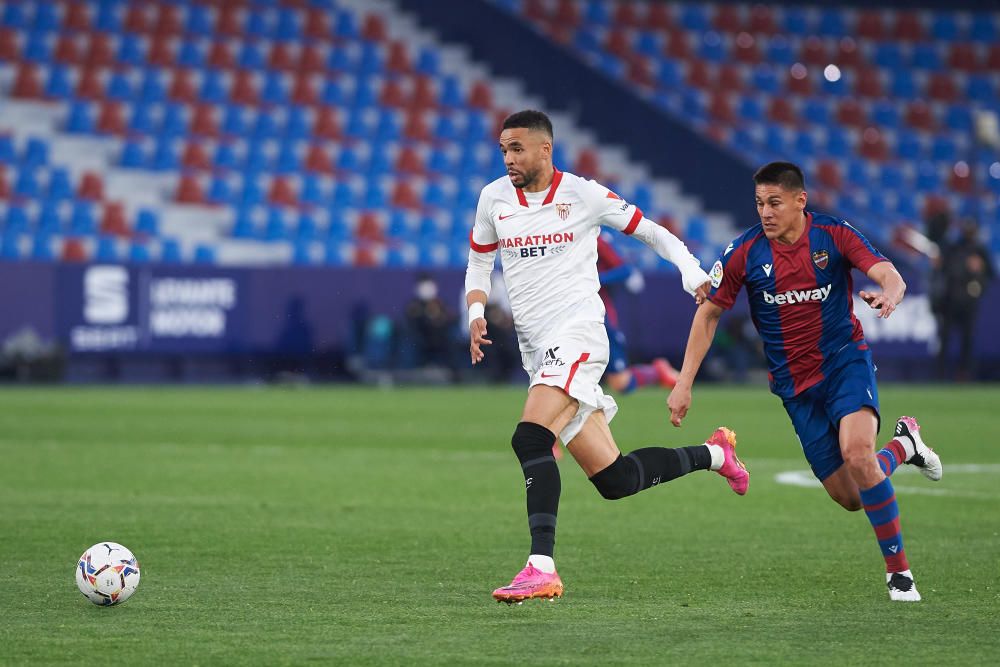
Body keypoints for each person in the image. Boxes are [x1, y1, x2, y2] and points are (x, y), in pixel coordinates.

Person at [465, 110, 750, 604]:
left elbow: (652, 231)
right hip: (538, 350)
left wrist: (691, 272)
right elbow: (479, 261)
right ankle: (717, 454)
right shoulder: (494, 198)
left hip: (578, 334)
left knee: (530, 437)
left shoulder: (583, 194)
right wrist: (474, 311)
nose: (509, 159)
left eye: (517, 149)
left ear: (545, 150)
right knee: (616, 479)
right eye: (503, 150)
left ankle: (541, 566)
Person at [667, 161, 943, 602]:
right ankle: (904, 447)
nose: (766, 212)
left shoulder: (833, 236)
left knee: (857, 453)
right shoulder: (745, 252)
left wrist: (889, 294)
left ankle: (900, 574)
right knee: (851, 496)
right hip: (794, 388)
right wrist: (684, 382)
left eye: (774, 202)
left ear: (800, 201)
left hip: (843, 363)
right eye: (759, 203)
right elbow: (710, 311)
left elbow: (889, 273)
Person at [597, 233, 679, 394]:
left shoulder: (593, 237)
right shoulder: (549, 237)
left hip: (599, 316)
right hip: (569, 314)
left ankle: (657, 371)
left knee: (621, 383)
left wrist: (595, 279)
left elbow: (625, 270)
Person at [937, 220, 994, 381]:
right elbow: (944, 269)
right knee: (945, 338)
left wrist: (979, 274)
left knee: (967, 339)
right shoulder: (954, 248)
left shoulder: (979, 250)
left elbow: (990, 274)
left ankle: (964, 373)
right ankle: (940, 373)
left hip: (969, 302)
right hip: (950, 300)